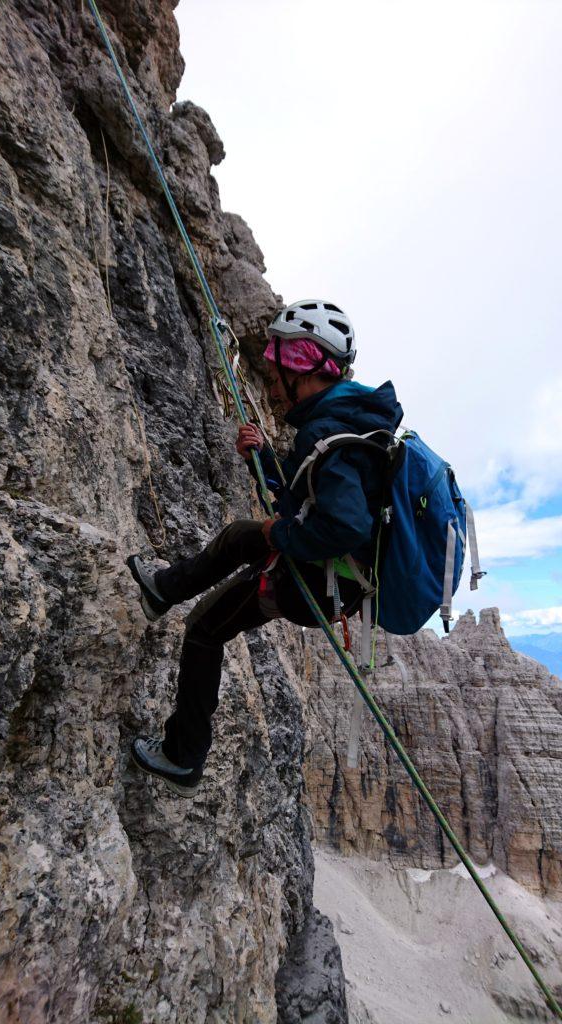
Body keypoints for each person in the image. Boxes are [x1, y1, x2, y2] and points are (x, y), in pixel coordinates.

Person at [127, 300, 403, 796]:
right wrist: (266, 460)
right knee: (239, 535)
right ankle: (163, 589)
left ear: (304, 367)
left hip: (317, 582)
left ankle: (182, 757)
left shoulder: (327, 427)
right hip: (334, 574)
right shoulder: (348, 420)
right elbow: (309, 491)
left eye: (277, 375)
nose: (272, 388)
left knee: (204, 630)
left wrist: (282, 537)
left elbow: (342, 523)